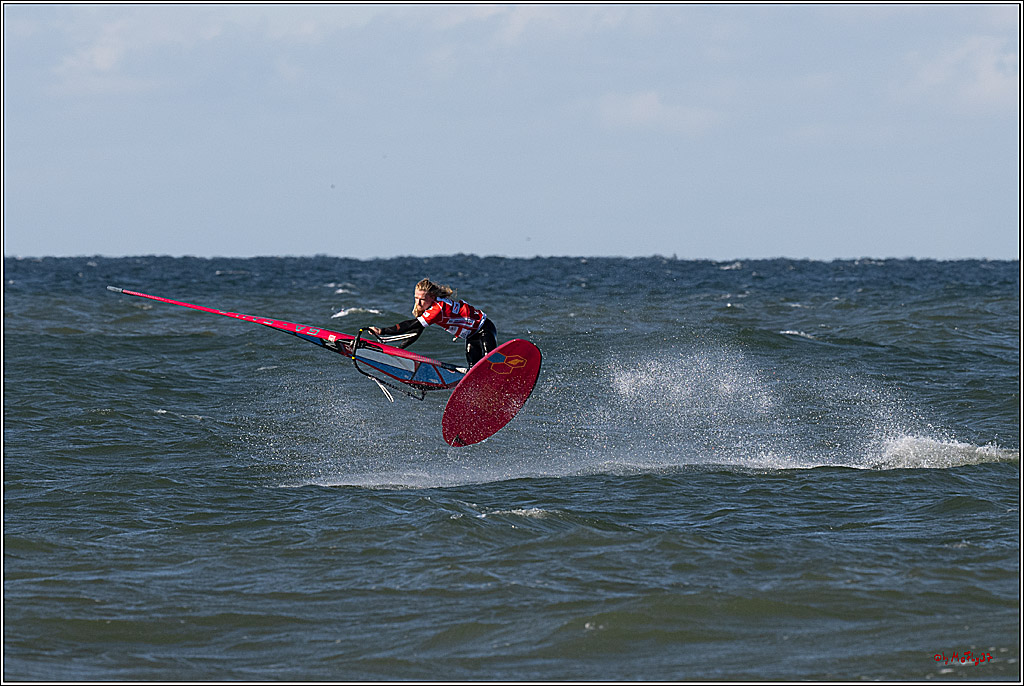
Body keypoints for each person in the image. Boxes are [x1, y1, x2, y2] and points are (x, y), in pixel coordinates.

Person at [368, 278, 498, 367]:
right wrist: (398, 350)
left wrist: (382, 331)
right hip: (472, 336)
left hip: (483, 328)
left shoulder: (437, 309)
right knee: (473, 368)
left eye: (422, 299)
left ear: (432, 297)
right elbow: (415, 332)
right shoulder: (430, 309)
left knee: (489, 361)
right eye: (416, 298)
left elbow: (410, 325)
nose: (418, 303)